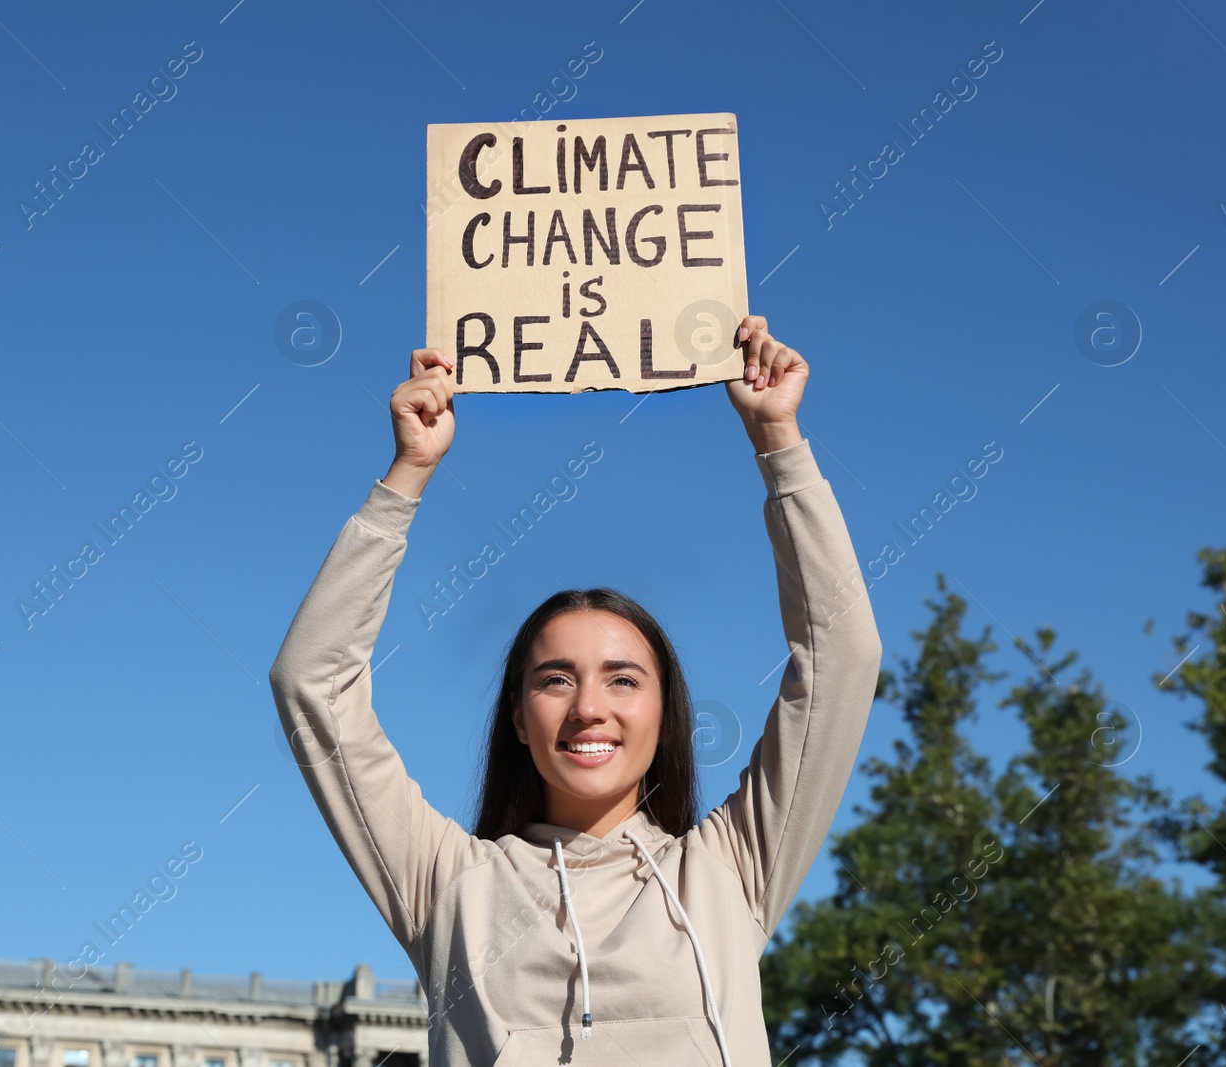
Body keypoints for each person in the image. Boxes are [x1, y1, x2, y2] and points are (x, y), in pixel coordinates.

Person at [268, 314, 883, 1067]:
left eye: (624, 679)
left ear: (665, 715)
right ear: (520, 720)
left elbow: (842, 657)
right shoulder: (449, 885)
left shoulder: (729, 870)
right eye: (555, 679)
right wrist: (407, 476)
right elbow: (312, 682)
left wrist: (779, 443)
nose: (589, 706)